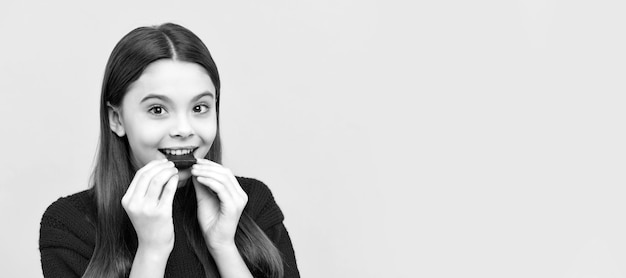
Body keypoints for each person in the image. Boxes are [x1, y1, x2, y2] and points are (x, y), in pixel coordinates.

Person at [39, 23, 299, 278]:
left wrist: (224, 247)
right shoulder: (69, 225)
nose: (184, 129)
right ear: (116, 119)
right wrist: (152, 251)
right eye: (157, 110)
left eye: (199, 108)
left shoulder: (253, 203)